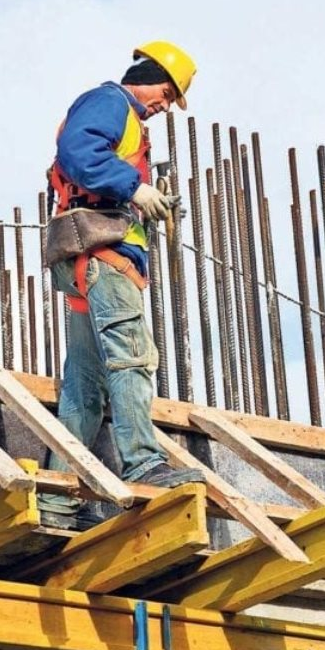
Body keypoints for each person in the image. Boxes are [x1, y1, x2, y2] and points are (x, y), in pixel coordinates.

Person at [38, 41, 206, 529]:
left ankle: (57, 498)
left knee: (85, 387)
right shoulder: (111, 102)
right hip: (104, 258)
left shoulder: (126, 119)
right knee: (133, 357)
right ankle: (144, 463)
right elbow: (78, 151)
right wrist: (135, 188)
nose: (166, 105)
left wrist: (141, 197)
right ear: (148, 75)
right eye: (167, 93)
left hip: (88, 259)